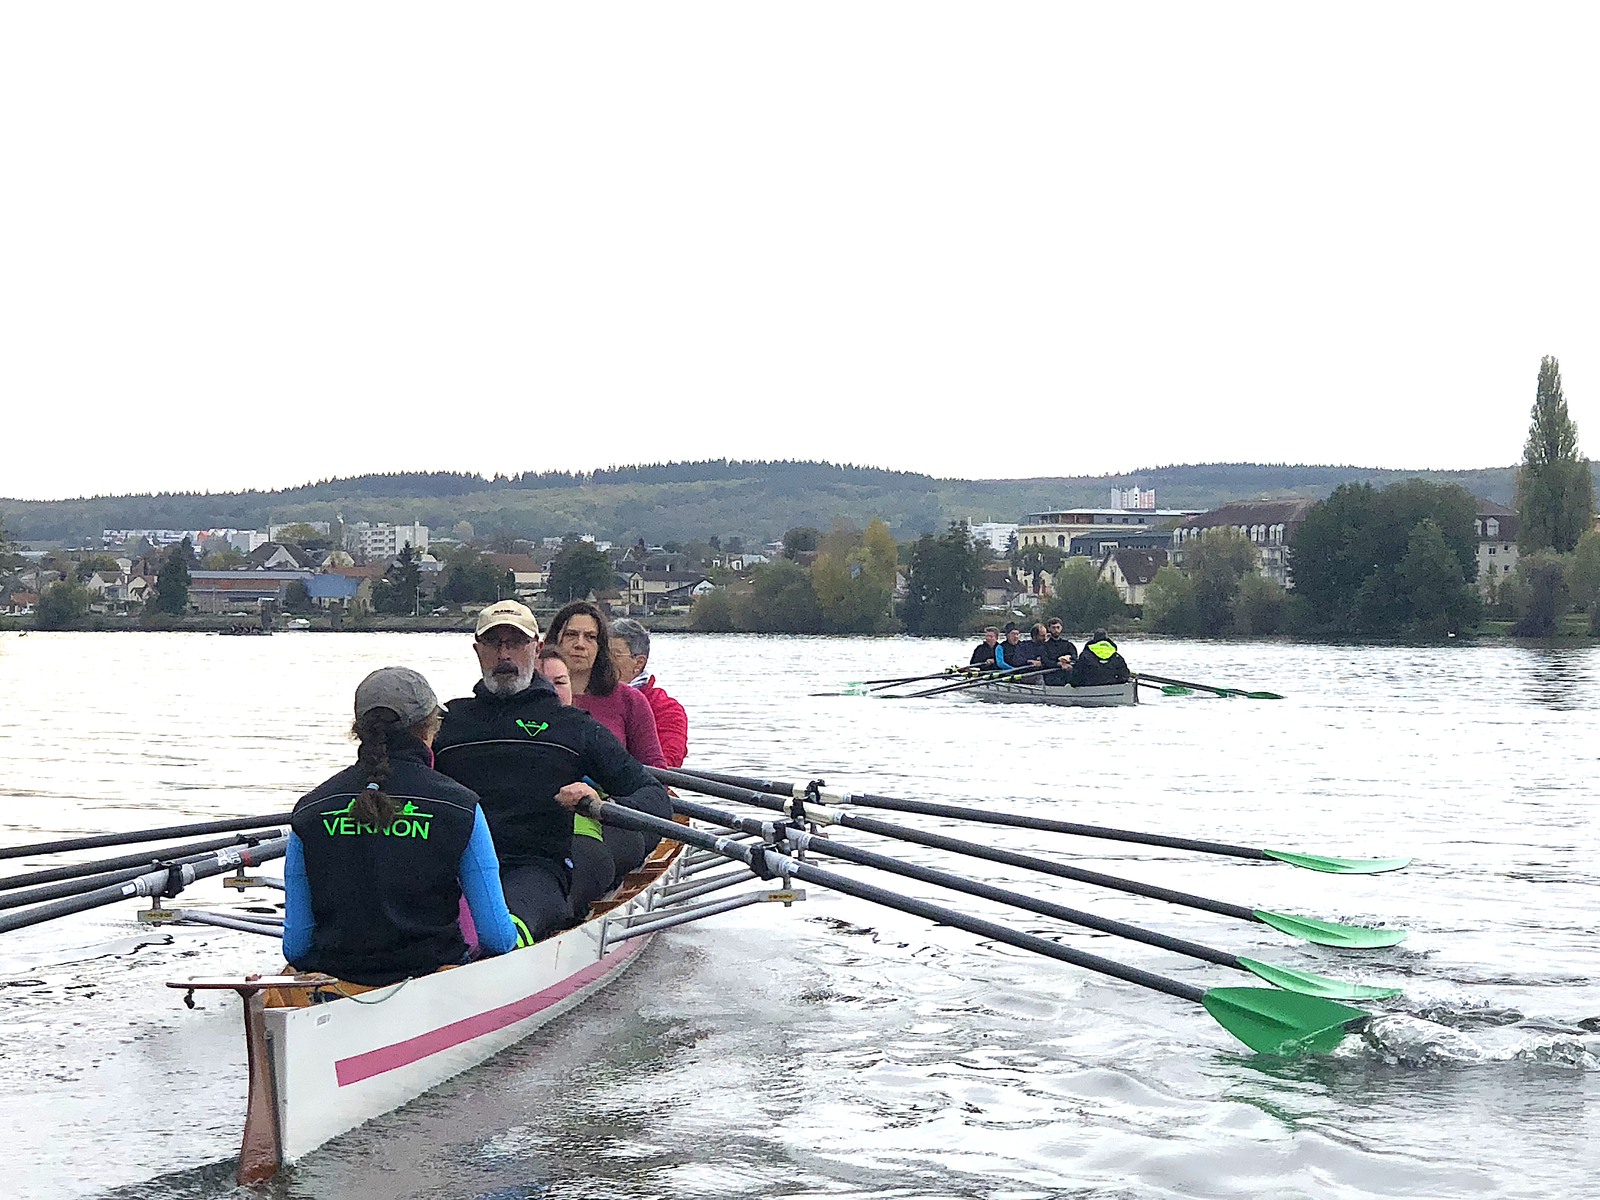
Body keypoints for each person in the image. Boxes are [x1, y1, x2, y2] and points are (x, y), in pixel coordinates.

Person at [433, 601, 672, 945]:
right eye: (494, 643)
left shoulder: (572, 727)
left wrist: (600, 803)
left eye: (515, 643)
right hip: (452, 869)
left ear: (536, 648)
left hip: (533, 870)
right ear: (477, 650)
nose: (505, 655)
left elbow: (655, 799)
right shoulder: (449, 723)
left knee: (497, 937)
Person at [284, 666, 519, 986]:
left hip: (336, 980)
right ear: (429, 728)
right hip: (431, 979)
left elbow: (296, 947)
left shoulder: (309, 810)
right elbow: (497, 936)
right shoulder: (460, 806)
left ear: (360, 731)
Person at [546, 601, 665, 770]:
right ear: (554, 640)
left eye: (590, 637)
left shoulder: (630, 700)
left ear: (601, 647)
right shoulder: (531, 694)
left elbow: (655, 771)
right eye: (571, 634)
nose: (580, 644)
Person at [609, 617, 688, 768]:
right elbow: (547, 726)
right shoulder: (579, 696)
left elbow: (666, 765)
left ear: (638, 663)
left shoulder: (666, 709)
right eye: (601, 654)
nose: (603, 661)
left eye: (613, 655)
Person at [1040, 617, 1078, 686]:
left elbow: (1075, 657)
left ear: (1061, 628)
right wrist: (1059, 664)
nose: (1056, 630)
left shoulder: (1068, 645)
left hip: (1067, 672)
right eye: (1053, 628)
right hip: (1052, 675)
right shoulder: (1044, 646)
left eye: (1058, 627)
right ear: (1049, 629)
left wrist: (1068, 658)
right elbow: (1045, 661)